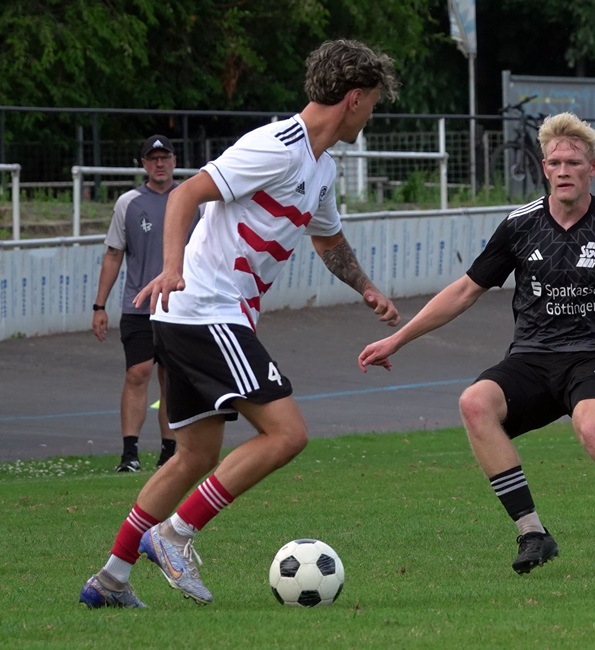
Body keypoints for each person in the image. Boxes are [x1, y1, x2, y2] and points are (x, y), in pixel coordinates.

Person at [80, 39, 401, 609]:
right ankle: (174, 534)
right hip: (207, 310)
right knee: (287, 434)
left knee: (195, 456)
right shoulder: (276, 146)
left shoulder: (321, 167)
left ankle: (109, 580)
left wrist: (367, 288)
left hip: (193, 316)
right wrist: (173, 267)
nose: (372, 114)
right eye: (373, 102)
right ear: (353, 98)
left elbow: (327, 238)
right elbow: (186, 193)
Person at [359, 112, 595, 577]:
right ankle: (532, 533)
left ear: (593, 168)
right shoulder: (520, 225)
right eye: (555, 162)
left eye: (573, 162)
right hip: (532, 358)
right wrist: (398, 339)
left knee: (594, 431)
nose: (563, 170)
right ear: (543, 167)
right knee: (474, 403)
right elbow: (465, 290)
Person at [92, 135, 184, 473]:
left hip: (180, 305)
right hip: (139, 305)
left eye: (165, 157)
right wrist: (99, 306)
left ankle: (169, 453)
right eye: (152, 158)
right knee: (137, 373)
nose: (159, 164)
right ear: (144, 164)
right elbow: (113, 254)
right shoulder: (128, 203)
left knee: (172, 378)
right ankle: (129, 454)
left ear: (174, 161)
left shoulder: (190, 199)